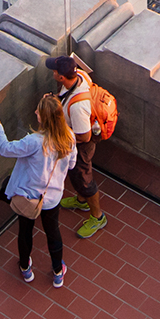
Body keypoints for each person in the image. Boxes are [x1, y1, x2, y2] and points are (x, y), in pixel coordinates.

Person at [0, 94, 76, 287]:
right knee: (53, 233)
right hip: (52, 197)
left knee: (25, 231)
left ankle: (26, 268)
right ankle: (58, 272)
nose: (35, 112)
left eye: (39, 112)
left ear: (45, 118)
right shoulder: (69, 137)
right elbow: (72, 164)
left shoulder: (34, 142)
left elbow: (5, 149)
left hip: (29, 197)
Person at [45, 55, 108, 239]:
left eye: (54, 72)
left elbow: (84, 136)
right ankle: (81, 201)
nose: (53, 73)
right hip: (79, 138)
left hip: (81, 146)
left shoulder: (78, 107)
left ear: (61, 77)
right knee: (75, 176)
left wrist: (63, 135)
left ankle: (97, 217)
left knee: (84, 178)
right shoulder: (78, 75)